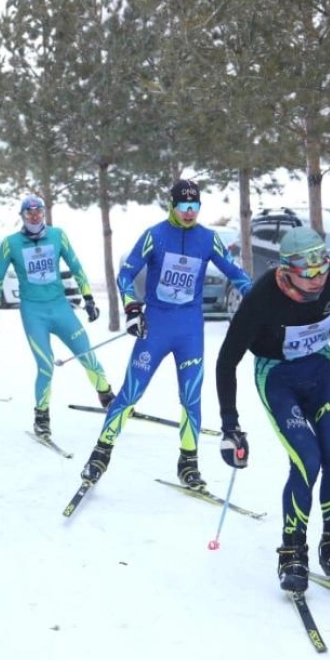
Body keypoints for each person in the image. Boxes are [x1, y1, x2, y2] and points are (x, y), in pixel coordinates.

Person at [214, 227, 330, 593]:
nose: (319, 281)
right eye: (309, 274)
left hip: (320, 368)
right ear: (287, 270)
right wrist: (230, 426)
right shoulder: (262, 298)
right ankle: (292, 551)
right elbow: (226, 361)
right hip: (277, 376)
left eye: (322, 271)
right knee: (307, 459)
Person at [79, 179, 252, 489]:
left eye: (194, 207)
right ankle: (100, 454)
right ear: (172, 206)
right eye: (183, 206)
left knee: (191, 397)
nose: (189, 213)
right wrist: (132, 308)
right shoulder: (155, 235)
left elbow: (237, 274)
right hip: (156, 326)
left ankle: (188, 462)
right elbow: (126, 274)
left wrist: (258, 301)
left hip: (189, 330)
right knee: (131, 393)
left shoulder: (208, 239)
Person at [0, 195, 114, 437]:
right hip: (34, 314)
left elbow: (76, 267)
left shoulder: (57, 235)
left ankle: (107, 395)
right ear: (22, 216)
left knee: (87, 355)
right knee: (45, 366)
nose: (34, 216)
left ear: (44, 213)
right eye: (29, 212)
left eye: (38, 211)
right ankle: (41, 417)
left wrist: (88, 299)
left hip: (61, 309)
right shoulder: (12, 243)